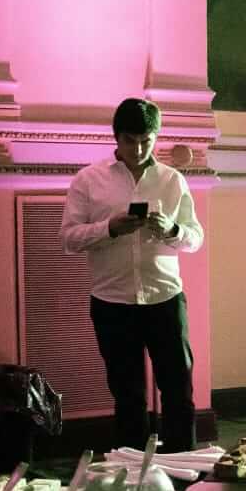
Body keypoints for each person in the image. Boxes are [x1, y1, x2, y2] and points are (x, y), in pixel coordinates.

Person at [61, 99, 204, 450]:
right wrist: (109, 228)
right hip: (113, 301)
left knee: (179, 391)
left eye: (146, 141)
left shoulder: (172, 180)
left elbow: (195, 239)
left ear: (156, 138)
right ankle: (133, 471)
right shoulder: (88, 180)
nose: (138, 150)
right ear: (116, 137)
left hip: (165, 298)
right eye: (130, 140)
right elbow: (68, 238)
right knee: (128, 396)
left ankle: (182, 469)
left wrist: (171, 229)